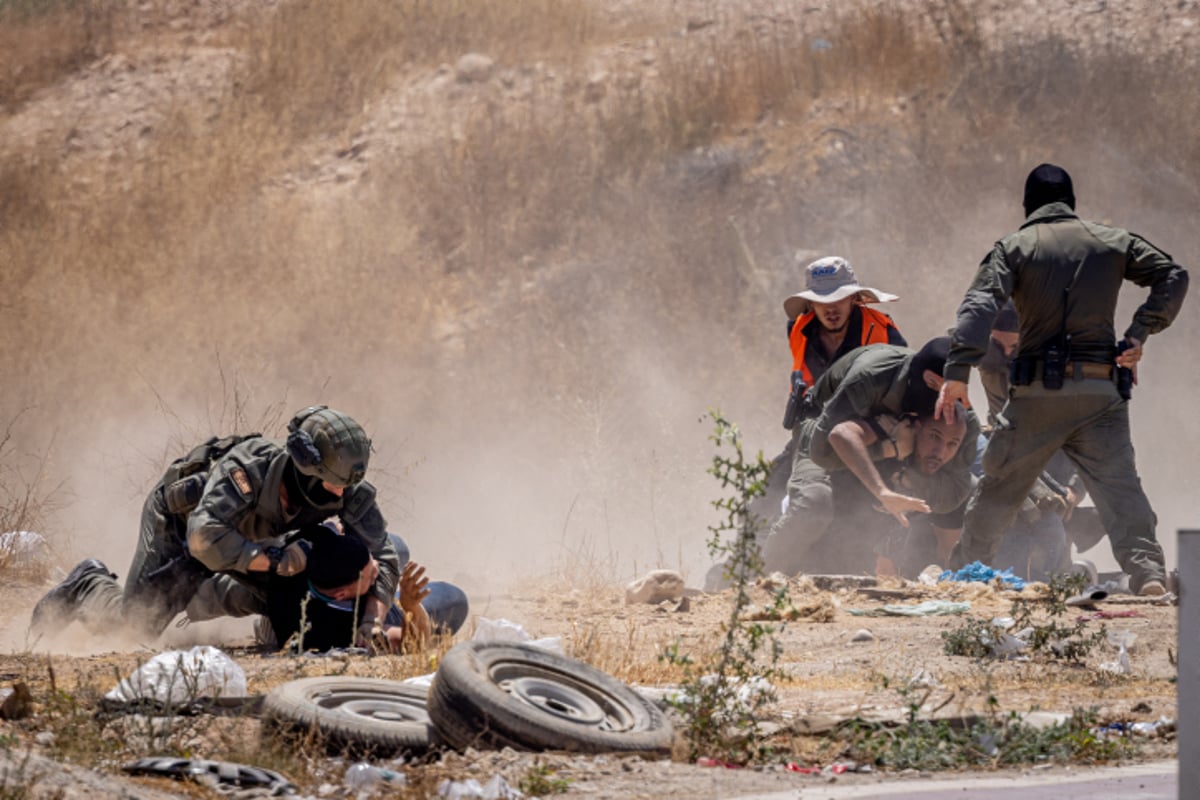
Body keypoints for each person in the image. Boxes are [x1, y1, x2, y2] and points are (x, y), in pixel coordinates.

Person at [936, 163, 1189, 596]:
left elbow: (979, 305)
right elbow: (1173, 275)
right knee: (1119, 488)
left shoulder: (1014, 247)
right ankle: (1147, 574)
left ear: (1027, 207)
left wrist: (958, 372)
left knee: (999, 488)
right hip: (1100, 394)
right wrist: (1139, 333)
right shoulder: (1112, 241)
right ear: (1071, 203)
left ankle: (964, 575)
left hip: (1036, 395)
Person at [30, 405, 402, 643]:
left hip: (251, 541)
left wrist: (373, 619)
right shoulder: (249, 468)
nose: (342, 492)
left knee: (286, 592)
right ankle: (88, 583)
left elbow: (384, 556)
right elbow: (205, 540)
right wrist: (278, 561)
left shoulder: (349, 489)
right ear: (307, 468)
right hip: (182, 526)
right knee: (135, 627)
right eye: (333, 482)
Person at [759, 337, 979, 577]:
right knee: (814, 503)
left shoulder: (961, 418)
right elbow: (825, 450)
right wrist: (888, 452)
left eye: (950, 392)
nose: (942, 401)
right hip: (823, 429)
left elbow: (955, 491)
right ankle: (758, 577)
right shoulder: (872, 378)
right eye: (934, 387)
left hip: (889, 440)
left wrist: (906, 477)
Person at [755, 256, 905, 529]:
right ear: (811, 303)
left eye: (839, 298)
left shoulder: (885, 333)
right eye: (822, 300)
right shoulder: (799, 328)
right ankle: (743, 561)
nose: (831, 308)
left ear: (854, 299)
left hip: (863, 430)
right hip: (812, 425)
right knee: (768, 491)